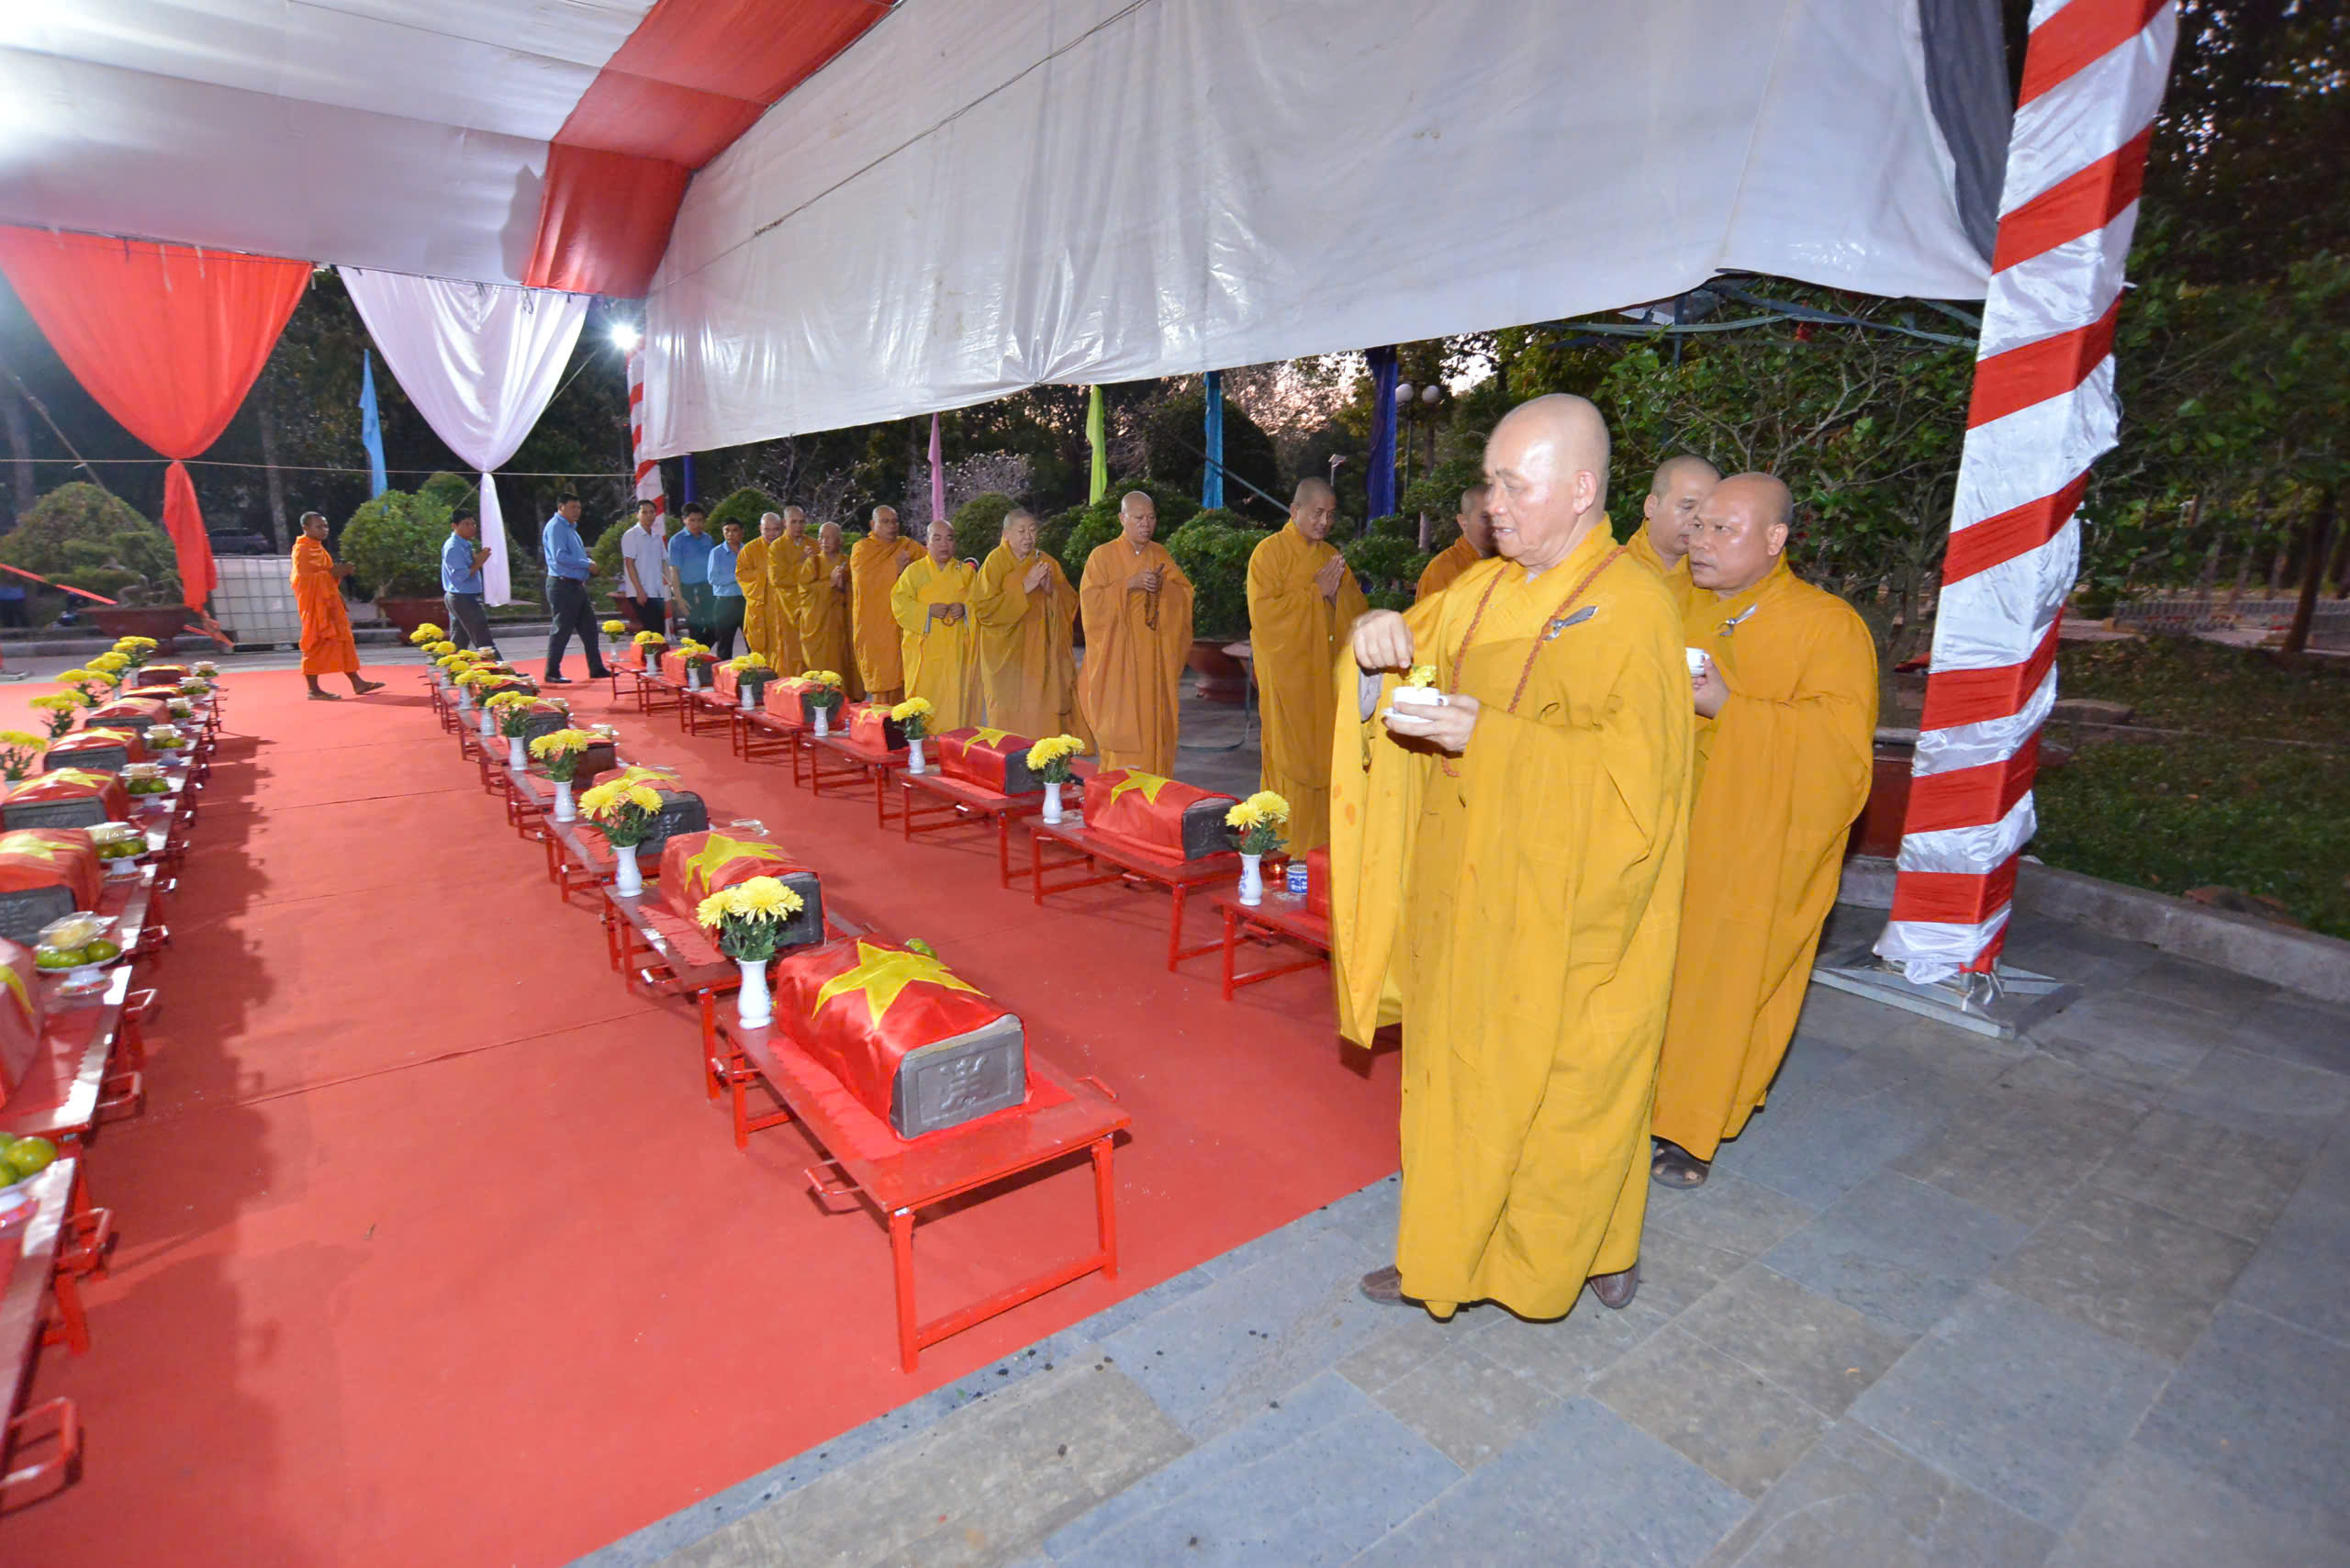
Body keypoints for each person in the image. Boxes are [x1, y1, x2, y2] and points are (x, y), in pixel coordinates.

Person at [1332, 394, 1688, 1320]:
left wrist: (1492, 739)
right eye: (1489, 482)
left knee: (1575, 1089)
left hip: (1572, 907)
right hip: (1465, 894)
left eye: (1512, 484)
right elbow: (1398, 666)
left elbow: (1639, 790)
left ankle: (1591, 1246)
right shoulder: (1479, 593)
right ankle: (1439, 1252)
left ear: (1581, 489)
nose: (1492, 503)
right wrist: (1372, 646)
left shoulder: (1636, 611)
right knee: (1456, 1084)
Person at [1651, 475, 1877, 1189]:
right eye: (1699, 525)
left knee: (1722, 984)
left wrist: (1730, 707)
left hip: (1751, 844)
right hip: (1657, 826)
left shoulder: (1825, 625)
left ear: (1776, 540)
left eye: (1725, 529)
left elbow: (1841, 754)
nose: (1702, 541)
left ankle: (1688, 1129)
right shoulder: (1665, 603)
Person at [1246, 478, 1365, 851]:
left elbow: (1355, 613)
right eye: (1317, 513)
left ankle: (1323, 845)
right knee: (1290, 758)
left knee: (1327, 755)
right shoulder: (1269, 554)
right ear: (1294, 510)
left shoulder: (1331, 556)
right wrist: (1316, 594)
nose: (1324, 522)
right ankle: (1287, 843)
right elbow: (1264, 616)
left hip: (1325, 678)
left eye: (1330, 514)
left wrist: (1333, 598)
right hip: (1288, 678)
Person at [1077, 492, 1193, 775]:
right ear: (1122, 518)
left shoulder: (1160, 554)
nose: (1146, 524)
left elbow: (1184, 594)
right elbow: (1090, 604)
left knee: (1154, 723)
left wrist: (1162, 587)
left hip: (1153, 661)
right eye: (1139, 518)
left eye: (1151, 517)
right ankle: (1119, 791)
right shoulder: (1102, 556)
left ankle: (1155, 789)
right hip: (1119, 664)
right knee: (1122, 726)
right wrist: (1128, 585)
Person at [971, 508, 1085, 740]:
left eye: (1032, 530)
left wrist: (1051, 590)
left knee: (1042, 714)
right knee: (1008, 720)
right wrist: (1024, 587)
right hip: (1006, 657)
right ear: (1006, 534)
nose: (1028, 536)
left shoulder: (1047, 562)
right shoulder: (995, 562)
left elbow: (1070, 602)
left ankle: (1045, 758)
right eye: (1021, 531)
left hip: (1041, 653)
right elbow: (983, 609)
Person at [890, 520, 984, 729]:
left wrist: (965, 609)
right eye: (937, 539)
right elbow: (899, 603)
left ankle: (954, 742)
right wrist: (927, 612)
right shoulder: (914, 572)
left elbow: (981, 604)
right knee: (925, 704)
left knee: (956, 701)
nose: (944, 544)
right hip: (925, 653)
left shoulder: (966, 572)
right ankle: (923, 742)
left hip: (956, 652)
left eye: (949, 539)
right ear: (927, 542)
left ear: (955, 543)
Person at [291, 510, 385, 700]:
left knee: (343, 639)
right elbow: (302, 580)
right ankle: (313, 690)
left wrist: (337, 574)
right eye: (319, 526)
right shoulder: (302, 550)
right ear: (306, 528)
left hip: (330, 603)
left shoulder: (318, 548)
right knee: (316, 643)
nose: (324, 530)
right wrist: (334, 573)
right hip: (315, 606)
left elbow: (324, 574)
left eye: (325, 526)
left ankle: (357, 682)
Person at [1626, 455, 1718, 615]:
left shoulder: (1723, 576)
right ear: (1651, 506)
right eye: (1687, 507)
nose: (1698, 521)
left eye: (1708, 510)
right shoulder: (1611, 569)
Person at [850, 506, 921, 703]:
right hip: (875, 626)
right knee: (883, 681)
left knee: (907, 680)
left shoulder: (907, 546)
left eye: (895, 521)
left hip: (903, 624)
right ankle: (882, 719)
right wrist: (895, 568)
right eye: (885, 521)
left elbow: (930, 564)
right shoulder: (862, 549)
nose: (892, 526)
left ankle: (908, 720)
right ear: (873, 524)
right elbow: (863, 581)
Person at [540, 492, 610, 684]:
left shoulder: (570, 528)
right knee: (562, 629)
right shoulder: (556, 527)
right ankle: (552, 671)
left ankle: (596, 668)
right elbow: (560, 557)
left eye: (579, 507)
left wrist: (587, 565)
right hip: (562, 584)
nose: (577, 511)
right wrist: (587, 564)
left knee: (589, 627)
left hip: (575, 584)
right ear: (561, 507)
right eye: (573, 507)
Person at [798, 520, 859, 696]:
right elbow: (804, 591)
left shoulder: (847, 563)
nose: (823, 541)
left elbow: (856, 592)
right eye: (821, 537)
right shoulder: (813, 563)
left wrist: (842, 587)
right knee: (819, 667)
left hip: (839, 623)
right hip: (817, 624)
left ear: (840, 540)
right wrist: (830, 584)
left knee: (841, 660)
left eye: (829, 537)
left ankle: (842, 697)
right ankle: (818, 700)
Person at [1413, 484, 1494, 602]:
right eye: (1486, 517)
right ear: (1463, 522)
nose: (1497, 524)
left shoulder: (1514, 564)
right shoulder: (1442, 570)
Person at [440, 510, 499, 657]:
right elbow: (462, 575)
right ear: (454, 526)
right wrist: (480, 561)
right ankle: (500, 668)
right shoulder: (454, 547)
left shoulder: (464, 544)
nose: (472, 527)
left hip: (461, 596)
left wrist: (477, 559)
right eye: (466, 524)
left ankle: (454, 669)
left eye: (473, 524)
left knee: (459, 642)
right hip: (463, 597)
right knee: (484, 641)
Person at [767, 506, 817, 673]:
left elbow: (820, 573)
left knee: (812, 650)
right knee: (791, 650)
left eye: (801, 522)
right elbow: (777, 579)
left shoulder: (813, 544)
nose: (798, 526)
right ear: (784, 522)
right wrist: (802, 563)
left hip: (811, 606)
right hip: (787, 607)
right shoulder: (777, 547)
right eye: (794, 522)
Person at [666, 501, 717, 645]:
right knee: (695, 630)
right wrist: (678, 597)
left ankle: (700, 652)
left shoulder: (708, 539)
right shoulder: (677, 541)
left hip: (707, 588)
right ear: (684, 520)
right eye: (692, 520)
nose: (696, 524)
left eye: (700, 520)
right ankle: (696, 657)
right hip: (687, 589)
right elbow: (674, 570)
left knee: (715, 627)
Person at [619, 500, 670, 638]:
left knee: (659, 632)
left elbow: (664, 562)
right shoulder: (631, 535)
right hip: (640, 592)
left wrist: (672, 586)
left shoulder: (657, 536)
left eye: (652, 512)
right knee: (651, 631)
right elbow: (629, 564)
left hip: (657, 591)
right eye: (644, 512)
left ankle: (651, 653)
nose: (649, 515)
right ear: (637, 514)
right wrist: (639, 590)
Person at [736, 513, 778, 662]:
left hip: (783, 607)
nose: (772, 534)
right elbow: (741, 575)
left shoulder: (786, 548)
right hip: (760, 606)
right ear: (760, 528)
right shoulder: (749, 549)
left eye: (775, 529)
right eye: (767, 529)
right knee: (761, 650)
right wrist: (763, 574)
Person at [705, 519, 746, 659]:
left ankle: (755, 671)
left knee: (753, 642)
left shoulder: (748, 550)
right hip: (725, 603)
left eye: (735, 530)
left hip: (745, 601)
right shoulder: (716, 552)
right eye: (727, 530)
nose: (730, 534)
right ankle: (723, 671)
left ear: (742, 532)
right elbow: (713, 578)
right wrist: (737, 576)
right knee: (724, 645)